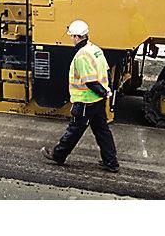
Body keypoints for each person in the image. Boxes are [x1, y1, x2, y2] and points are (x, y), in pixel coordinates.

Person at [41, 20, 120, 172]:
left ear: (77, 37)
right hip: (97, 101)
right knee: (102, 131)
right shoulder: (95, 49)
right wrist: (106, 92)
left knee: (74, 130)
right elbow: (106, 71)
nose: (71, 39)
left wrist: (104, 92)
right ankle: (111, 162)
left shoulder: (82, 56)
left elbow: (89, 81)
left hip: (86, 101)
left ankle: (58, 155)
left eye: (72, 36)